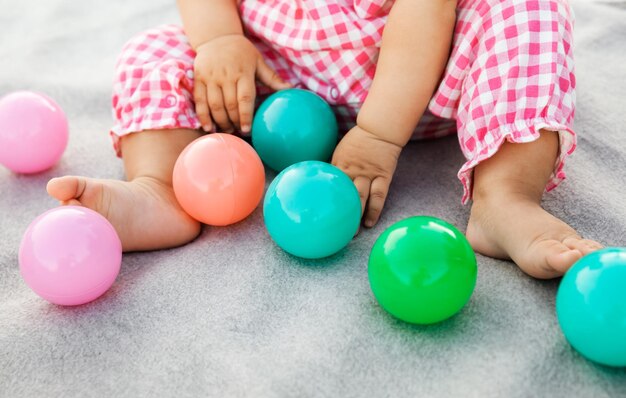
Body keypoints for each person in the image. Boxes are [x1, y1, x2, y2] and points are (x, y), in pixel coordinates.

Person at [46, 0, 602, 278]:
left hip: (416, 79)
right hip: (266, 74)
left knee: (525, 9)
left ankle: (504, 193)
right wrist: (219, 39)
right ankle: (164, 187)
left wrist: (379, 136)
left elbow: (421, 15)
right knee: (155, 51)